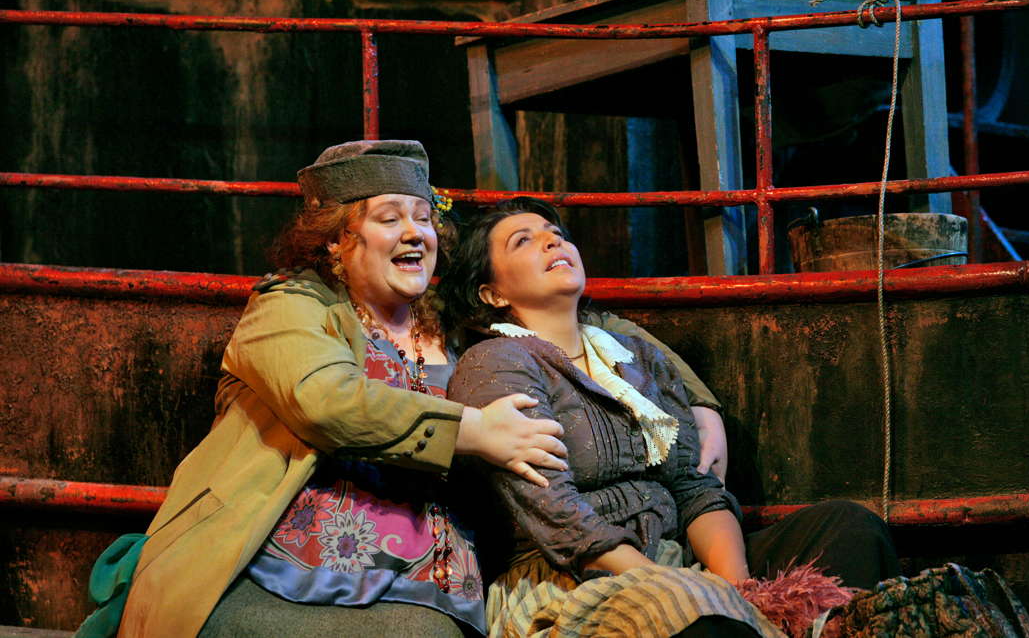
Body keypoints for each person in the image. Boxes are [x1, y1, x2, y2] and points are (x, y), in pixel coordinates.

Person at [76, 141, 728, 638]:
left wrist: (697, 398)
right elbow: (325, 401)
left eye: (423, 218)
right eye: (390, 218)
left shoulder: (452, 321)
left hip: (431, 589)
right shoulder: (293, 307)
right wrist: (476, 432)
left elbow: (579, 320)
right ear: (337, 240)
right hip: (276, 578)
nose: (416, 233)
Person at [441, 198, 900, 638]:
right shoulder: (497, 363)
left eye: (556, 235)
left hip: (674, 558)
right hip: (571, 578)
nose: (551, 243)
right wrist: (673, 584)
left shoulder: (637, 356)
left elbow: (693, 487)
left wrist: (738, 589)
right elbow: (556, 515)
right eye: (523, 240)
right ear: (492, 292)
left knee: (849, 527)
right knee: (691, 614)